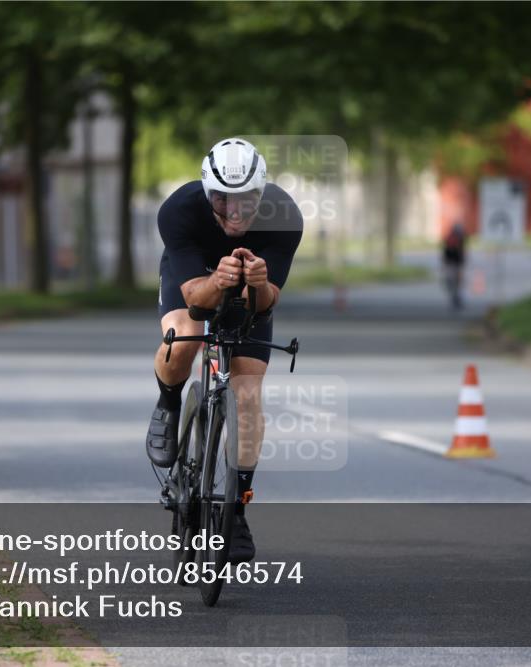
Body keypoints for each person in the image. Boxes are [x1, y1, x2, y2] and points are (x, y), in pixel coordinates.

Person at [147, 138, 303, 563]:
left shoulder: (284, 216)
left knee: (248, 392)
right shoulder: (179, 212)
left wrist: (256, 284)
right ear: (204, 191)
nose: (234, 212)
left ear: (262, 192)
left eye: (246, 200)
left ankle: (236, 509)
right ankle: (168, 401)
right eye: (221, 199)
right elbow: (195, 300)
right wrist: (218, 280)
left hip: (250, 289)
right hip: (197, 280)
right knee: (185, 336)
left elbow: (268, 301)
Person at [442, 222, 467, 310]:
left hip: (455, 263)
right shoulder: (452, 238)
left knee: (456, 282)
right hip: (452, 263)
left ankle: (456, 297)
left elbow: (462, 252)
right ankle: (455, 297)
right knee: (454, 281)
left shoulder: (460, 238)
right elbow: (447, 251)